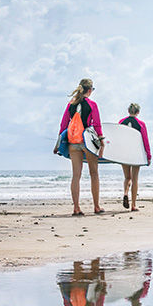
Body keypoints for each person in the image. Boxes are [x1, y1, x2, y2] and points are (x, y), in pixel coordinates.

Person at [56, 78, 104, 215]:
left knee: (76, 175)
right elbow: (97, 125)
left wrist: (59, 143)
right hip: (87, 141)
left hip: (73, 142)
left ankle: (76, 208)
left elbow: (63, 124)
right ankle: (96, 207)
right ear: (89, 90)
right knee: (94, 174)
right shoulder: (92, 104)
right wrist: (100, 141)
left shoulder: (70, 104)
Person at [118, 103, 151, 211]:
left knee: (127, 177)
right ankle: (133, 205)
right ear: (138, 112)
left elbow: (117, 138)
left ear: (128, 111)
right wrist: (148, 155)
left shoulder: (121, 122)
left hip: (124, 153)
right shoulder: (141, 124)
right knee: (135, 179)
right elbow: (145, 140)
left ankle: (125, 193)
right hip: (136, 154)